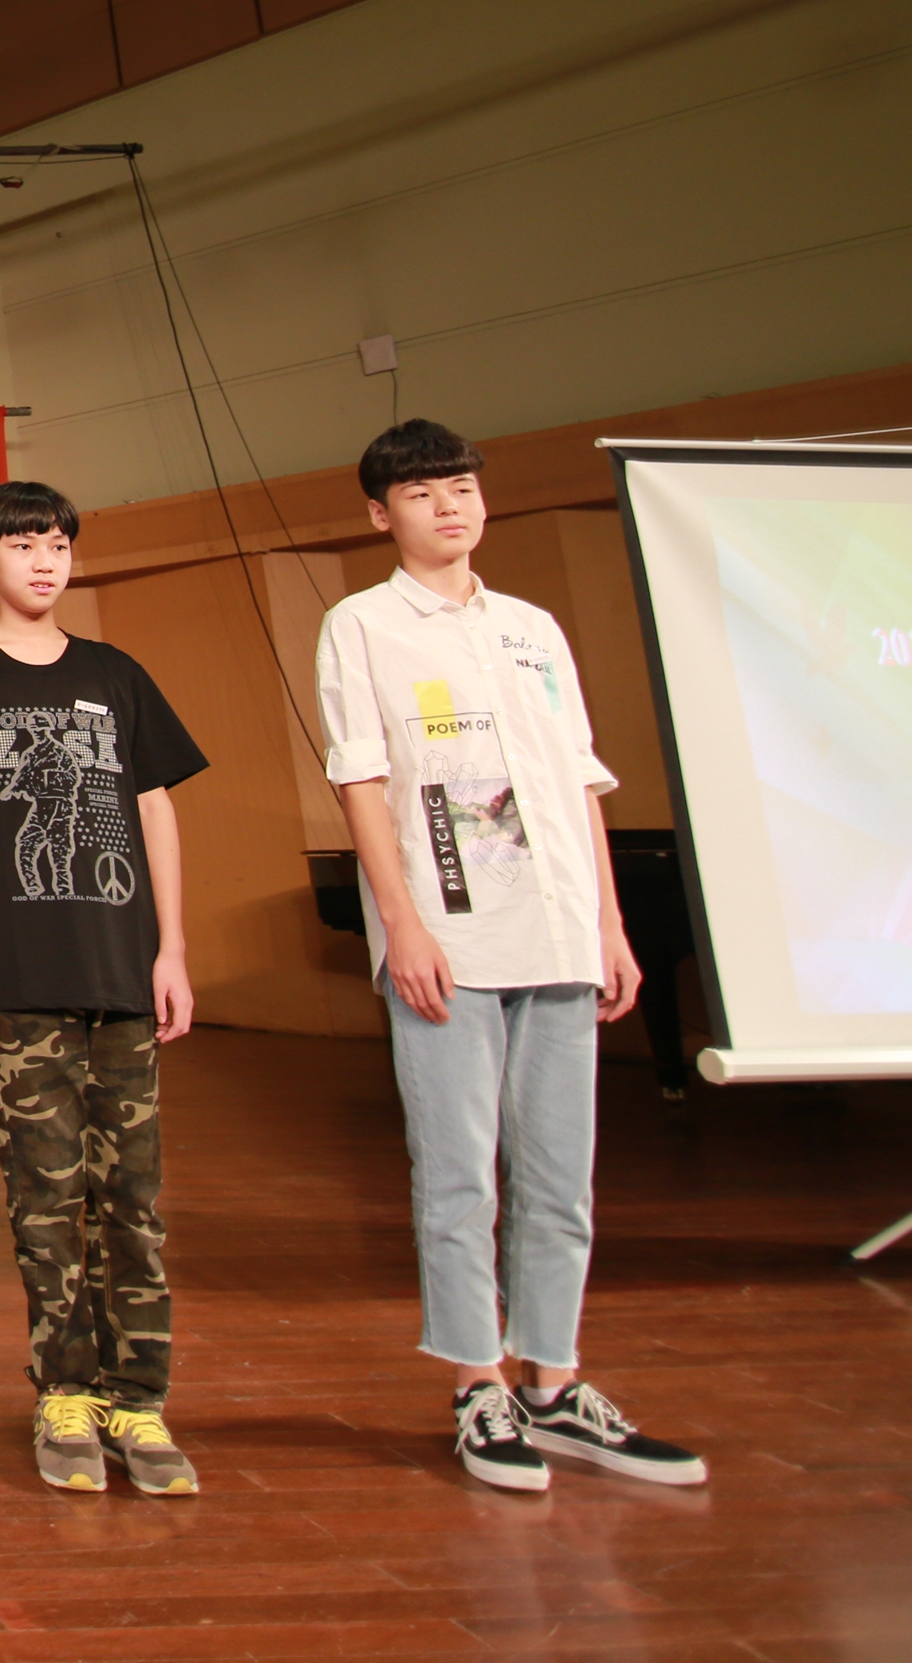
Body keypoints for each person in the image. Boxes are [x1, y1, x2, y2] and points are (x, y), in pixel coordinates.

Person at [314, 420, 705, 1494]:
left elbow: (578, 781)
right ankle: (476, 1383)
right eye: (421, 492)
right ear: (379, 513)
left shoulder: (532, 629)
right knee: (456, 1174)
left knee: (559, 1176)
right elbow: (360, 781)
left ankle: (555, 1384)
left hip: (560, 929)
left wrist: (608, 923)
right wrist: (401, 923)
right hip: (449, 935)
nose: (448, 506)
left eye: (461, 488)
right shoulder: (361, 625)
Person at [0, 481, 210, 1498]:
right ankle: (63, 1392)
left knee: (134, 1201)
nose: (43, 560)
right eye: (22, 544)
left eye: (57, 544)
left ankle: (139, 1400)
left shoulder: (115, 674)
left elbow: (153, 810)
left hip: (123, 973)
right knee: (45, 1197)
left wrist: (170, 949)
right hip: (22, 976)